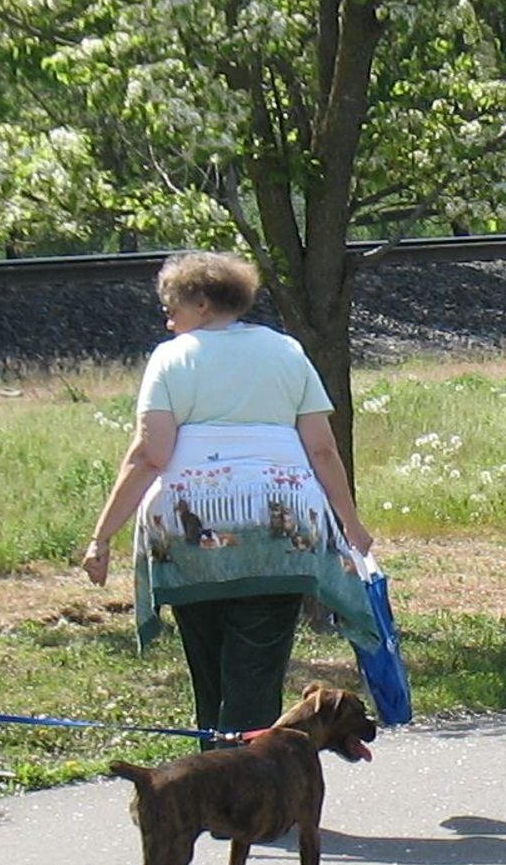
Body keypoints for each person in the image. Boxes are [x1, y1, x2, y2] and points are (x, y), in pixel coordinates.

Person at [79, 254, 379, 733]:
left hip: (186, 531)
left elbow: (149, 455)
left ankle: (212, 785)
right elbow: (322, 449)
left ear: (201, 303)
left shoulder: (170, 358)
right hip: (283, 531)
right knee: (255, 674)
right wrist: (351, 523)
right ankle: (243, 785)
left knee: (209, 673)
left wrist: (102, 537)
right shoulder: (287, 352)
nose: (167, 318)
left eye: (171, 305)